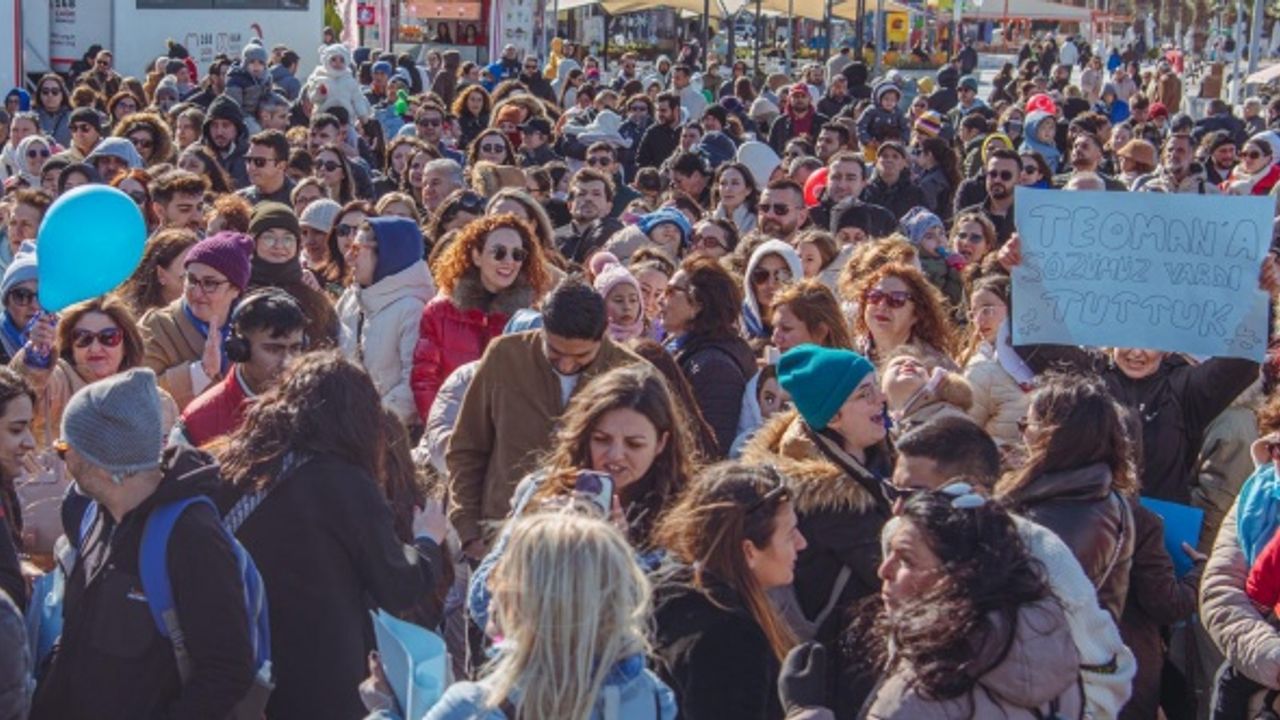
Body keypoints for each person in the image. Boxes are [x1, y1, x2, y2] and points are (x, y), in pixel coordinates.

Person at [214, 352, 445, 720]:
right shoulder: (347, 483)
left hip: (242, 663)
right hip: (322, 677)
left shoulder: (240, 467)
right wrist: (428, 540)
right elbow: (399, 584)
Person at [29, 368, 257, 719]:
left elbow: (227, 671)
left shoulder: (192, 537)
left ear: (105, 466)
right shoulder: (95, 516)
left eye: (64, 448)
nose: (61, 459)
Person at [466, 363, 698, 630]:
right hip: (543, 661)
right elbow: (482, 605)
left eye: (634, 444)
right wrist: (532, 539)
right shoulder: (545, 487)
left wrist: (619, 557)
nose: (615, 455)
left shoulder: (683, 515)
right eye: (602, 439)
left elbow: (663, 624)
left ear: (661, 443)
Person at [447, 276, 639, 559]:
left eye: (581, 356)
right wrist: (469, 532)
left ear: (604, 336)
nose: (567, 364)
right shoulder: (504, 356)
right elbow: (466, 448)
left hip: (592, 550)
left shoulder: (633, 374)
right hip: (501, 543)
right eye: (555, 352)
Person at [861, 487, 1085, 718]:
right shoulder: (1056, 661)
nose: (883, 570)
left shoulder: (917, 698)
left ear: (960, 577)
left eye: (906, 560)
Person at [745, 345, 892, 659]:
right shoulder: (829, 502)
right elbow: (893, 572)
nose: (881, 399)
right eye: (865, 393)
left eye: (877, 387)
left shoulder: (878, 460)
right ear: (834, 416)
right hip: (839, 660)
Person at [651, 463, 806, 720]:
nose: (802, 543)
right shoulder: (731, 637)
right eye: (790, 535)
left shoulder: (666, 593)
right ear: (749, 551)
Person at [995, 374, 1136, 619]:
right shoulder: (1091, 493)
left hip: (1052, 652)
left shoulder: (1063, 518)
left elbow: (1022, 605)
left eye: (1027, 424)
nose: (1022, 435)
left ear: (1054, 434)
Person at [411, 214, 548, 419]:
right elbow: (425, 380)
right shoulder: (439, 311)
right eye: (499, 252)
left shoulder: (530, 318)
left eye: (517, 254)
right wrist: (443, 433)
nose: (509, 261)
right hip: (450, 434)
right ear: (476, 256)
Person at [14, 293, 180, 448]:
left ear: (127, 344)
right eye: (83, 338)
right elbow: (24, 396)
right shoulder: (59, 381)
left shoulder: (156, 401)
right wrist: (36, 357)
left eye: (109, 337)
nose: (95, 348)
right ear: (70, 345)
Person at [172, 288, 307, 447]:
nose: (288, 362)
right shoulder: (196, 424)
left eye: (295, 348)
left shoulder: (320, 408)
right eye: (273, 349)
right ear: (240, 350)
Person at [336, 217, 435, 427]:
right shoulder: (351, 299)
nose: (348, 258)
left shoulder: (413, 310)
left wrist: (372, 423)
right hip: (346, 430)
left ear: (387, 256)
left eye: (356, 249)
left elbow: (412, 385)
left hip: (393, 436)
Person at [140, 231, 251, 410]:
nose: (197, 293)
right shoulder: (157, 326)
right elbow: (140, 395)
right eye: (191, 280)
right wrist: (200, 371)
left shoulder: (253, 327)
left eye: (210, 283)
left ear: (235, 289)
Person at [662, 257, 756, 458]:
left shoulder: (715, 368)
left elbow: (712, 450)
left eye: (670, 292)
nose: (661, 299)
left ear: (697, 305)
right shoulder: (680, 346)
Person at [851, 262, 956, 369]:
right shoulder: (848, 354)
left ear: (917, 313)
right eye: (875, 296)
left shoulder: (938, 367)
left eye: (896, 299)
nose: (882, 305)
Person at [742, 240, 803, 341]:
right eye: (761, 275)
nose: (771, 284)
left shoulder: (810, 324)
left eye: (782, 276)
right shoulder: (735, 323)